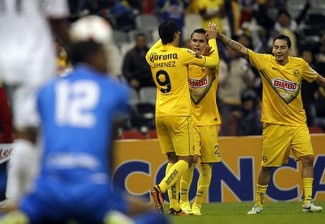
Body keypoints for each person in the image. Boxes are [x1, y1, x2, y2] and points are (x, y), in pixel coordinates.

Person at [0, 40, 169, 224]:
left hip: (49, 191)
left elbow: (35, 137)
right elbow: (109, 149)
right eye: (104, 55)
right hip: (93, 191)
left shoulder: (47, 89)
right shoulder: (115, 90)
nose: (108, 61)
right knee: (155, 217)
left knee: (11, 212)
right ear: (93, 57)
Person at [216, 32, 325, 214]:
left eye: (282, 47)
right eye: (276, 47)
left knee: (308, 158)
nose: (278, 51)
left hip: (297, 123)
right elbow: (240, 49)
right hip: (274, 125)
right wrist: (220, 36)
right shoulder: (264, 61)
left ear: (289, 49)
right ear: (272, 48)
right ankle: (258, 204)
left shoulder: (299, 65)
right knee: (267, 167)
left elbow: (318, 79)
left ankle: (307, 202)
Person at [0, 0, 71, 204]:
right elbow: (56, 20)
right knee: (34, 133)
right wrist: (80, 49)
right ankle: (19, 197)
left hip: (8, 61)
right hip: (35, 59)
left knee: (25, 130)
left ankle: (21, 194)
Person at [145, 20, 219, 215]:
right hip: (179, 114)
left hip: (160, 114)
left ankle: (175, 206)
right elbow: (213, 62)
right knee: (186, 159)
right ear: (177, 35)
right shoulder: (183, 54)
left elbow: (160, 44)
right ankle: (160, 189)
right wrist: (212, 41)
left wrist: (164, 36)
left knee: (172, 159)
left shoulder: (151, 55)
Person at [178, 28, 221, 216]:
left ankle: (198, 205)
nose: (197, 44)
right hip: (189, 120)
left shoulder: (212, 65)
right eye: (194, 40)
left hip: (209, 120)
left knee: (206, 165)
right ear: (189, 43)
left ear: (206, 44)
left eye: (201, 41)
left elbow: (215, 60)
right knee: (190, 161)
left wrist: (213, 40)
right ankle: (183, 201)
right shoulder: (184, 64)